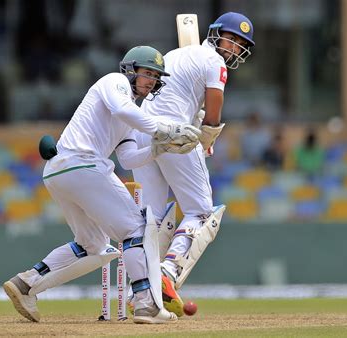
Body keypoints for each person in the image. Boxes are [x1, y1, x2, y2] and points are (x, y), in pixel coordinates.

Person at [3, 45, 201, 324]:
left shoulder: (133, 116)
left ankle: (27, 284)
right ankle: (146, 304)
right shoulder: (114, 82)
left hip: (61, 172)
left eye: (156, 77)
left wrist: (160, 148)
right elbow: (123, 109)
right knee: (137, 228)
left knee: (93, 243)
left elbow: (130, 158)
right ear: (130, 70)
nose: (151, 81)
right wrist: (165, 129)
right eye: (147, 73)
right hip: (81, 164)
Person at [132, 12, 255, 316]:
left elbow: (176, 98)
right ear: (215, 34)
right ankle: (169, 270)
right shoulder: (216, 63)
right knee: (200, 211)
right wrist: (207, 137)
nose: (235, 48)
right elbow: (214, 110)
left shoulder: (177, 54)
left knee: (153, 217)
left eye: (241, 45)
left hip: (141, 130)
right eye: (232, 39)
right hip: (174, 131)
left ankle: (142, 296)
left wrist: (196, 121)